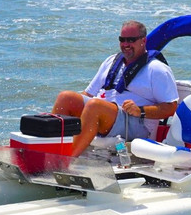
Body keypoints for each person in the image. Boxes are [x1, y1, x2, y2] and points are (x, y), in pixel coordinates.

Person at [52, 20, 179, 156]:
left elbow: (171, 108)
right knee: (66, 97)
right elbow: (88, 94)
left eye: (131, 40)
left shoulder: (157, 70)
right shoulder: (111, 61)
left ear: (143, 40)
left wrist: (140, 110)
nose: (125, 44)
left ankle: (65, 160)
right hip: (105, 113)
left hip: (137, 124)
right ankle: (48, 150)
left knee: (94, 106)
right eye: (122, 40)